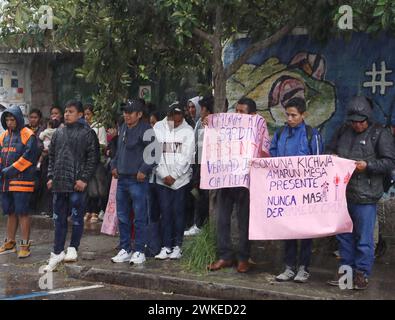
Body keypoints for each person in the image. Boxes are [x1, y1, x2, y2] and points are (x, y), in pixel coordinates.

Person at [326, 96, 395, 290]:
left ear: (368, 118)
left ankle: (362, 275)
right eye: (354, 122)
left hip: (366, 196)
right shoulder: (342, 131)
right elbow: (329, 149)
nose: (357, 125)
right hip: (342, 195)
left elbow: (389, 162)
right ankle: (346, 275)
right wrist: (332, 156)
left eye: (361, 121)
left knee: (364, 239)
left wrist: (368, 166)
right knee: (344, 238)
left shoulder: (380, 134)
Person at [208, 97, 269, 273]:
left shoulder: (258, 127)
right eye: (237, 111)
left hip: (246, 182)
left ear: (253, 115)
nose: (238, 115)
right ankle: (225, 256)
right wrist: (209, 122)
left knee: (244, 221)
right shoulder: (227, 126)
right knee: (222, 220)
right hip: (226, 179)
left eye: (242, 112)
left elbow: (265, 152)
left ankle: (243, 257)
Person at [269, 97, 324, 283]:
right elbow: (273, 156)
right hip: (285, 191)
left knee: (306, 231)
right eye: (288, 115)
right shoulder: (280, 133)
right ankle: (289, 267)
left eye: (294, 115)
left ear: (303, 115)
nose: (290, 118)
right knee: (289, 230)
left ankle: (304, 268)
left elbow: (317, 164)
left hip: (305, 192)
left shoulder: (312, 134)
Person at [44, 100, 99, 272]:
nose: (67, 114)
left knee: (76, 218)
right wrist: (51, 176)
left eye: (71, 111)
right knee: (59, 219)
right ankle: (57, 251)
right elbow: (51, 156)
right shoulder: (58, 133)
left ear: (81, 114)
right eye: (65, 111)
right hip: (59, 183)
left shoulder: (88, 133)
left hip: (77, 184)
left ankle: (73, 247)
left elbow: (93, 159)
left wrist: (84, 179)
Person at [110, 99, 156, 264]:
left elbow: (154, 153)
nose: (127, 115)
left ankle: (139, 250)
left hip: (137, 181)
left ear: (139, 114)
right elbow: (118, 151)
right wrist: (113, 165)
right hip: (122, 179)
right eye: (125, 112)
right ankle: (125, 249)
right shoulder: (123, 127)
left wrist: (144, 170)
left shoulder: (147, 129)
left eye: (130, 112)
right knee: (122, 216)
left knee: (140, 217)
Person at [153, 103, 195, 260]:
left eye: (179, 119)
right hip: (162, 178)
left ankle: (177, 246)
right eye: (173, 118)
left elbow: (187, 155)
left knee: (178, 212)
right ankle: (166, 246)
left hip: (180, 180)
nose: (176, 121)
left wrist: (175, 175)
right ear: (169, 115)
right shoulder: (158, 127)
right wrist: (164, 174)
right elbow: (155, 153)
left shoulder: (188, 131)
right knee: (165, 212)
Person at [0, 106, 38, 258]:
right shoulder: (3, 136)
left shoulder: (28, 134)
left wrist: (10, 170)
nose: (10, 122)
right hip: (6, 182)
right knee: (10, 213)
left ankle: (25, 245)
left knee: (22, 213)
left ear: (18, 119)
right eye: (7, 119)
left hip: (22, 181)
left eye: (12, 119)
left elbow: (29, 157)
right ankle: (10, 243)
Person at [184, 95, 214, 236]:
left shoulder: (211, 123)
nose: (198, 110)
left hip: (207, 164)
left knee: (204, 195)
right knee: (197, 193)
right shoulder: (198, 123)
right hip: (197, 163)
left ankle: (201, 224)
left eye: (200, 108)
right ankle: (197, 223)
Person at [83, 103, 108, 223]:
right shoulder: (83, 127)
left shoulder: (99, 127)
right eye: (85, 114)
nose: (86, 117)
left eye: (89, 114)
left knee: (99, 188)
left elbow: (103, 144)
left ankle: (97, 211)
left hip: (97, 161)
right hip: (87, 161)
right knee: (89, 187)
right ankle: (89, 210)